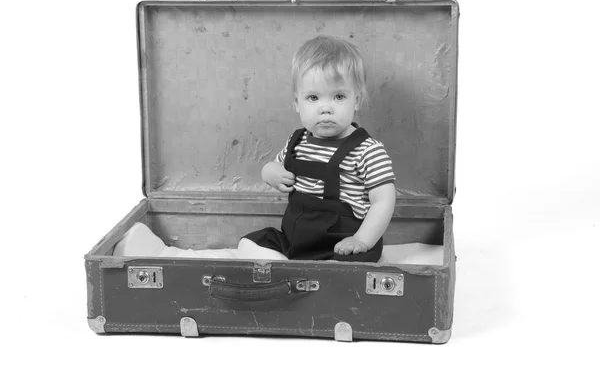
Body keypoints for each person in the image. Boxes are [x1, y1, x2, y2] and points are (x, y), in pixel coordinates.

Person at [113, 35, 396, 262]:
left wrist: (362, 240)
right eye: (313, 97)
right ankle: (282, 268)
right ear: (296, 103)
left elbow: (384, 201)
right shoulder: (298, 141)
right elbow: (275, 166)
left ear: (357, 100)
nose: (325, 107)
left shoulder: (368, 151)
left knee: (348, 267)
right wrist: (270, 172)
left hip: (342, 242)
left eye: (338, 96)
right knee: (250, 242)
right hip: (296, 240)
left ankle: (319, 269)